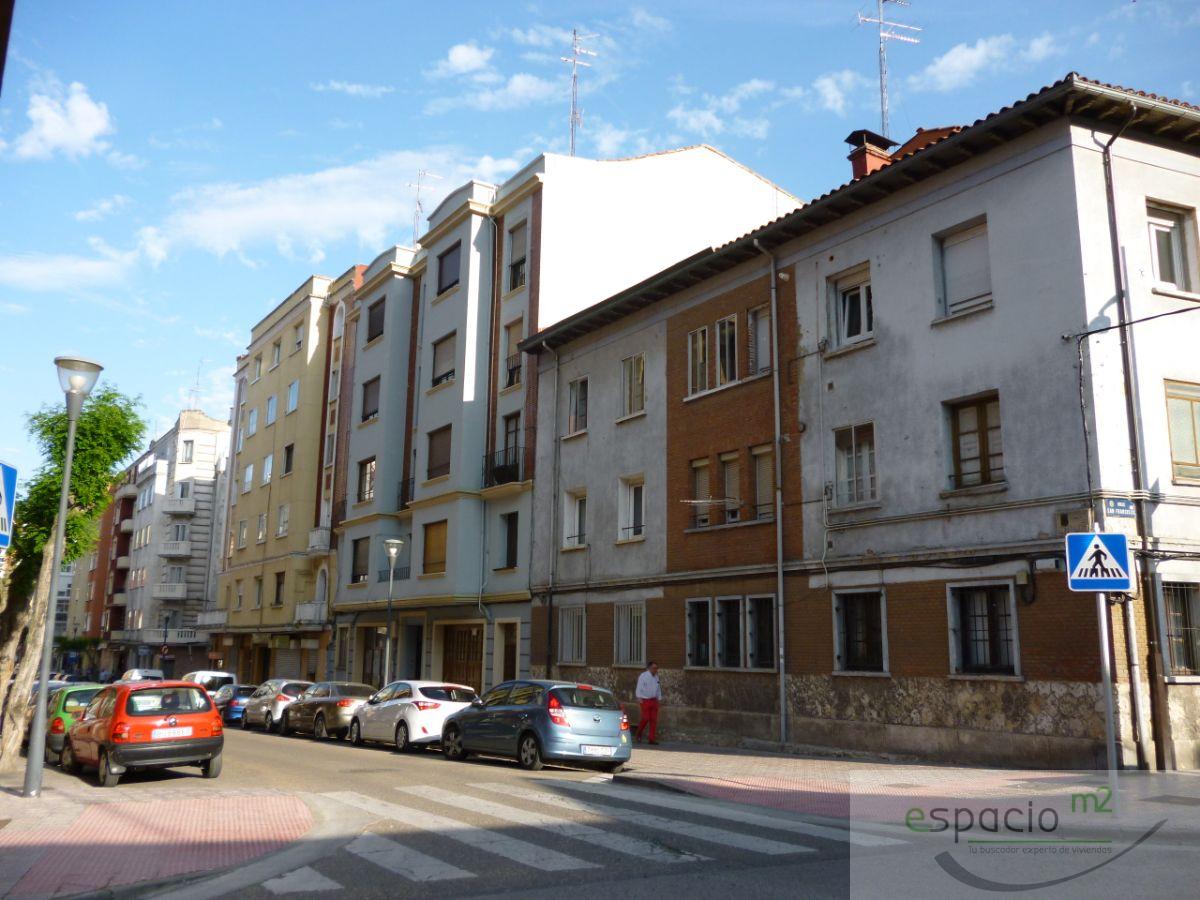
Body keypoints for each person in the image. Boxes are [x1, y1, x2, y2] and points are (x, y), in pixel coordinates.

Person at [634, 661, 661, 745]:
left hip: (654, 700)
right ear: (649, 668)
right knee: (645, 718)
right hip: (645, 700)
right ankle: (638, 733)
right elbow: (639, 687)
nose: (655, 670)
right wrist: (639, 697)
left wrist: (659, 698)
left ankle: (651, 739)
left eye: (656, 668)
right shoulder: (643, 676)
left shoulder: (656, 677)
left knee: (653, 720)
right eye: (654, 668)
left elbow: (658, 687)